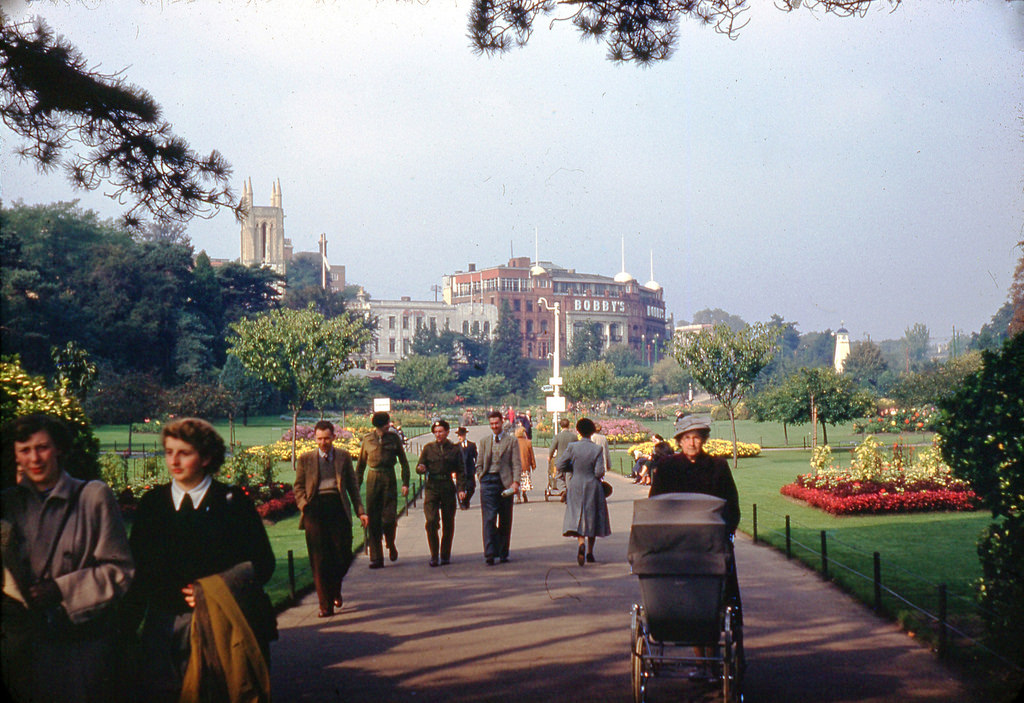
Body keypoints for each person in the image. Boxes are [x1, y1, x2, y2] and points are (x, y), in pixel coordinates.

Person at [125, 418, 276, 703]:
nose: (174, 461)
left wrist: (213, 589)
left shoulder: (232, 502)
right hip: (162, 628)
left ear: (206, 457)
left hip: (219, 626)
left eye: (184, 453)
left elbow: (263, 564)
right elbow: (137, 571)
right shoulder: (153, 504)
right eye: (169, 452)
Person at [2, 414, 134, 702]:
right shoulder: (9, 504)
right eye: (25, 450)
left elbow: (119, 570)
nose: (34, 458)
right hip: (24, 651)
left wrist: (61, 590)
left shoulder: (92, 497)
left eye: (42, 447)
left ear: (59, 449)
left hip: (80, 650)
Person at [649, 415, 740, 680]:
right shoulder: (667, 467)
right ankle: (702, 663)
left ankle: (710, 662)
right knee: (688, 603)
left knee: (713, 602)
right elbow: (656, 504)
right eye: (687, 438)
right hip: (678, 544)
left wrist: (725, 531)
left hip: (711, 544)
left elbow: (731, 505)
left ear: (704, 440)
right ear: (679, 441)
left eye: (697, 438)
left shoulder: (718, 467)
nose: (692, 443)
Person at [294, 420, 369, 617]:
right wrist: (304, 505)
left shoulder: (343, 456)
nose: (323, 442)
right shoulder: (305, 459)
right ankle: (325, 605)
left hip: (337, 507)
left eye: (326, 438)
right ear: (315, 438)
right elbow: (298, 487)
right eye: (319, 439)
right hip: (315, 509)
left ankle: (335, 588)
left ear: (334, 437)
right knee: (319, 559)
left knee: (343, 555)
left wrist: (360, 511)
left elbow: (353, 486)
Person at [357, 411, 410, 569]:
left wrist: (405, 483)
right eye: (387, 423)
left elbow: (404, 462)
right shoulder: (368, 440)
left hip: (389, 478)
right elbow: (360, 466)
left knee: (389, 518)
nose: (389, 425)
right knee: (373, 520)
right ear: (380, 425)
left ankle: (390, 543)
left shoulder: (394, 438)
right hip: (373, 479)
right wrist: (356, 487)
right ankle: (376, 558)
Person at [556, 417, 611, 566]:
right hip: (592, 484)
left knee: (578, 514)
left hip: (576, 483)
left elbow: (559, 464)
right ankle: (590, 552)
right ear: (592, 431)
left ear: (578, 431)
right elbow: (599, 472)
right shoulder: (597, 449)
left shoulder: (572, 447)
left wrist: (573, 468)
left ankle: (581, 543)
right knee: (592, 515)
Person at [415, 420, 464, 566]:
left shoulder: (454, 449)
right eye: (436, 432)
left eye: (441, 431)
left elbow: (461, 471)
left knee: (448, 522)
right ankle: (434, 555)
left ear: (447, 432)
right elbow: (420, 465)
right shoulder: (428, 448)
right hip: (432, 486)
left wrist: (461, 489)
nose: (438, 434)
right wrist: (420, 468)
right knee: (431, 521)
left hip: (447, 486)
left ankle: (445, 554)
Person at [476, 409, 521, 565]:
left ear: (502, 422)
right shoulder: (484, 441)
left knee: (505, 518)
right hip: (488, 481)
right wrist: (480, 475)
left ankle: (503, 552)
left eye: (497, 423)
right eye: (492, 424)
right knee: (489, 518)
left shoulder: (511, 441)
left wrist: (516, 482)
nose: (494, 426)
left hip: (505, 483)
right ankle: (489, 553)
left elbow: (516, 463)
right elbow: (479, 463)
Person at [547, 418, 576, 499]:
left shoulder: (558, 436)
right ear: (568, 425)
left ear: (560, 426)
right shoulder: (574, 437)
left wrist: (550, 456)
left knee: (558, 476)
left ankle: (563, 490)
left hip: (560, 459)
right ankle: (569, 492)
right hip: (571, 460)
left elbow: (552, 448)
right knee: (569, 477)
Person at [455, 426, 477, 510]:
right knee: (460, 487)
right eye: (458, 436)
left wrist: (476, 466)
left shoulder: (471, 445)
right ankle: (462, 503)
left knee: (471, 487)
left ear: (464, 435)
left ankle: (466, 500)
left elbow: (476, 456)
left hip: (469, 470)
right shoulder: (456, 446)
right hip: (459, 471)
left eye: (461, 435)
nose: (459, 437)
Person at [514, 425, 536, 503]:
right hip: (525, 465)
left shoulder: (514, 442)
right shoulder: (528, 442)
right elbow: (531, 455)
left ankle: (518, 496)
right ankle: (524, 493)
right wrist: (533, 464)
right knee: (524, 481)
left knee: (517, 481)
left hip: (515, 466)